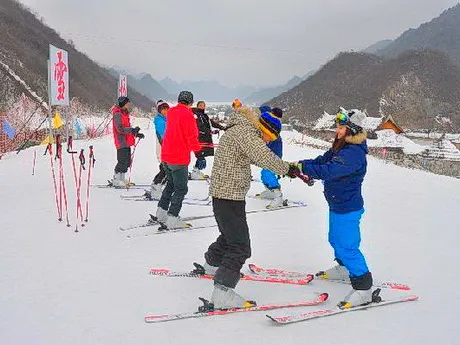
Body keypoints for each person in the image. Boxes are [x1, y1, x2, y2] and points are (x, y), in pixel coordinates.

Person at [196, 106, 296, 310]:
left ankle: (212, 264)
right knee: (240, 246)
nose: (268, 142)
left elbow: (256, 156)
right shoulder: (247, 134)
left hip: (223, 193)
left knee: (229, 236)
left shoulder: (238, 130)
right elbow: (265, 157)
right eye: (270, 138)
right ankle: (222, 293)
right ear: (266, 130)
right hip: (229, 195)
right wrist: (289, 169)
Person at [291, 108, 373, 309]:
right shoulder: (342, 147)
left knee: (347, 246)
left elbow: (329, 170)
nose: (337, 131)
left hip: (348, 207)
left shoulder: (353, 153)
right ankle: (345, 269)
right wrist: (299, 164)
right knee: (335, 240)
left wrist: (305, 169)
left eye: (341, 127)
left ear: (351, 130)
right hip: (338, 204)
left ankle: (364, 288)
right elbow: (321, 161)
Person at [154, 91, 202, 229]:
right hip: (178, 158)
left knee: (170, 184)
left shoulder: (171, 112)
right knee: (181, 188)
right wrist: (198, 150)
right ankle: (173, 218)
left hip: (166, 156)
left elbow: (177, 132)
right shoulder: (188, 115)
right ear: (191, 102)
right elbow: (191, 137)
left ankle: (161, 213)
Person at [111, 96, 144, 187]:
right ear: (123, 103)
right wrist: (131, 130)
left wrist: (136, 134)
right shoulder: (117, 113)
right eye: (127, 103)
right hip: (121, 141)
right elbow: (120, 129)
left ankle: (122, 178)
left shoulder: (125, 113)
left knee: (126, 161)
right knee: (122, 160)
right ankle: (117, 179)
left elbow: (127, 127)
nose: (129, 104)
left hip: (127, 140)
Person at [190, 101, 227, 180]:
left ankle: (196, 171)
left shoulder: (204, 115)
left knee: (201, 155)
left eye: (203, 105)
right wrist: (211, 131)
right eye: (200, 105)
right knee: (200, 155)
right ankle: (195, 172)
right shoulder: (196, 115)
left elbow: (212, 123)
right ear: (197, 106)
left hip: (205, 138)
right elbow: (200, 127)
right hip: (200, 138)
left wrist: (222, 127)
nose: (202, 107)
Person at [257, 107, 286, 208]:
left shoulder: (273, 132)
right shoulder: (270, 126)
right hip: (269, 156)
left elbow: (270, 147)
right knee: (263, 173)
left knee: (268, 173)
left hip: (274, 157)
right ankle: (270, 191)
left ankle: (278, 196)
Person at [150, 100, 170, 199]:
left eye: (167, 109)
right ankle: (156, 188)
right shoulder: (160, 122)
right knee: (165, 171)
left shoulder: (165, 120)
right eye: (163, 109)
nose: (166, 111)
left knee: (164, 170)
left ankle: (155, 186)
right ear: (160, 111)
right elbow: (166, 136)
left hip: (167, 150)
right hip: (163, 150)